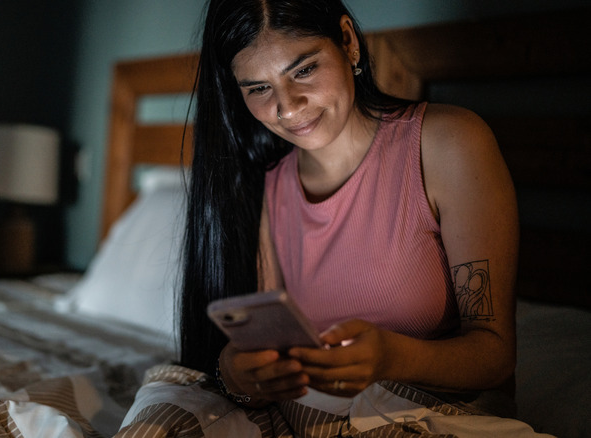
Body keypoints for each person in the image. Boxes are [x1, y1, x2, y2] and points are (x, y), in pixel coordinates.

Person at [119, 1, 547, 436]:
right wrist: (238, 375)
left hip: (428, 416)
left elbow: (495, 355)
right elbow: (269, 344)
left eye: (303, 70)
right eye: (259, 89)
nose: (287, 108)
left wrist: (391, 358)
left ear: (347, 41)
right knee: (164, 413)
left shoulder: (447, 143)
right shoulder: (272, 185)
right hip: (305, 413)